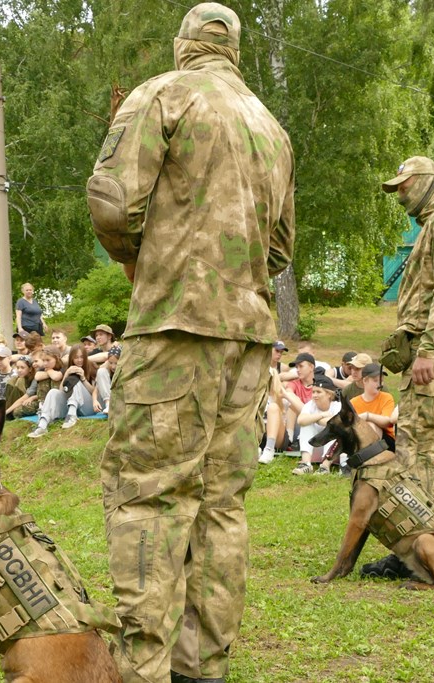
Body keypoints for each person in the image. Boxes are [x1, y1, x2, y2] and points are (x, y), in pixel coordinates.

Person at [86, 4, 295, 680]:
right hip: (250, 335)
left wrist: (141, 265)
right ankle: (201, 665)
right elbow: (282, 248)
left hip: (176, 325)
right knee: (221, 504)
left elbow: (113, 199)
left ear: (184, 45)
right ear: (233, 52)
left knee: (150, 493)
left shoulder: (163, 94)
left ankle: (143, 666)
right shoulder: (272, 129)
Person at [365, 155, 434, 580]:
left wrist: (427, 349)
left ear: (427, 183)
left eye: (405, 186)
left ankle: (412, 551)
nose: (400, 195)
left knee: (414, 452)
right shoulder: (432, 228)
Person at [283, 373, 341, 475]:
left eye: (318, 392)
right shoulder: (310, 405)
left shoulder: (337, 406)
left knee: (332, 429)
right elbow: (301, 420)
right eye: (313, 392)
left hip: (334, 452)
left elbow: (335, 425)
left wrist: (312, 418)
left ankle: (325, 467)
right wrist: (321, 416)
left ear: (329, 394)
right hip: (313, 448)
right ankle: (306, 464)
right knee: (307, 424)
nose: (314, 395)